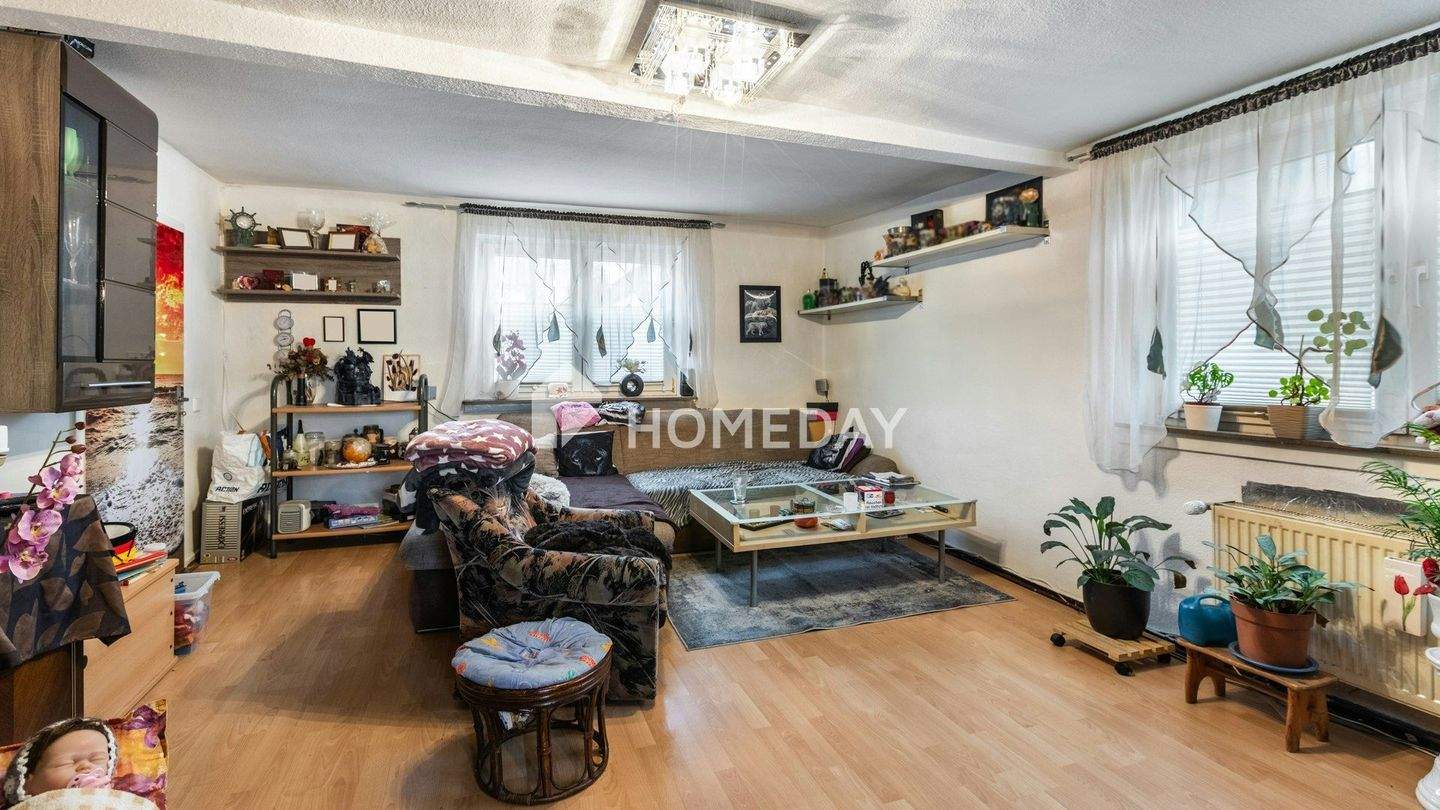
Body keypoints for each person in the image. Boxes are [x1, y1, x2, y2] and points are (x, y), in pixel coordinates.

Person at [1, 718, 152, 808]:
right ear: (27, 783)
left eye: (96, 759)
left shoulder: (125, 801)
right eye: (64, 763)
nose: (86, 766)